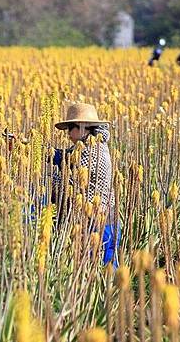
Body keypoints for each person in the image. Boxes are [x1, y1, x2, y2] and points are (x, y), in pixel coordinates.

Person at [52, 103, 120, 267]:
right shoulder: (90, 145)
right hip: (104, 217)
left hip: (98, 221)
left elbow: (70, 184)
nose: (67, 133)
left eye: (70, 128)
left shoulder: (91, 152)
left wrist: (47, 179)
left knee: (102, 265)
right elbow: (64, 156)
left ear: (83, 128)